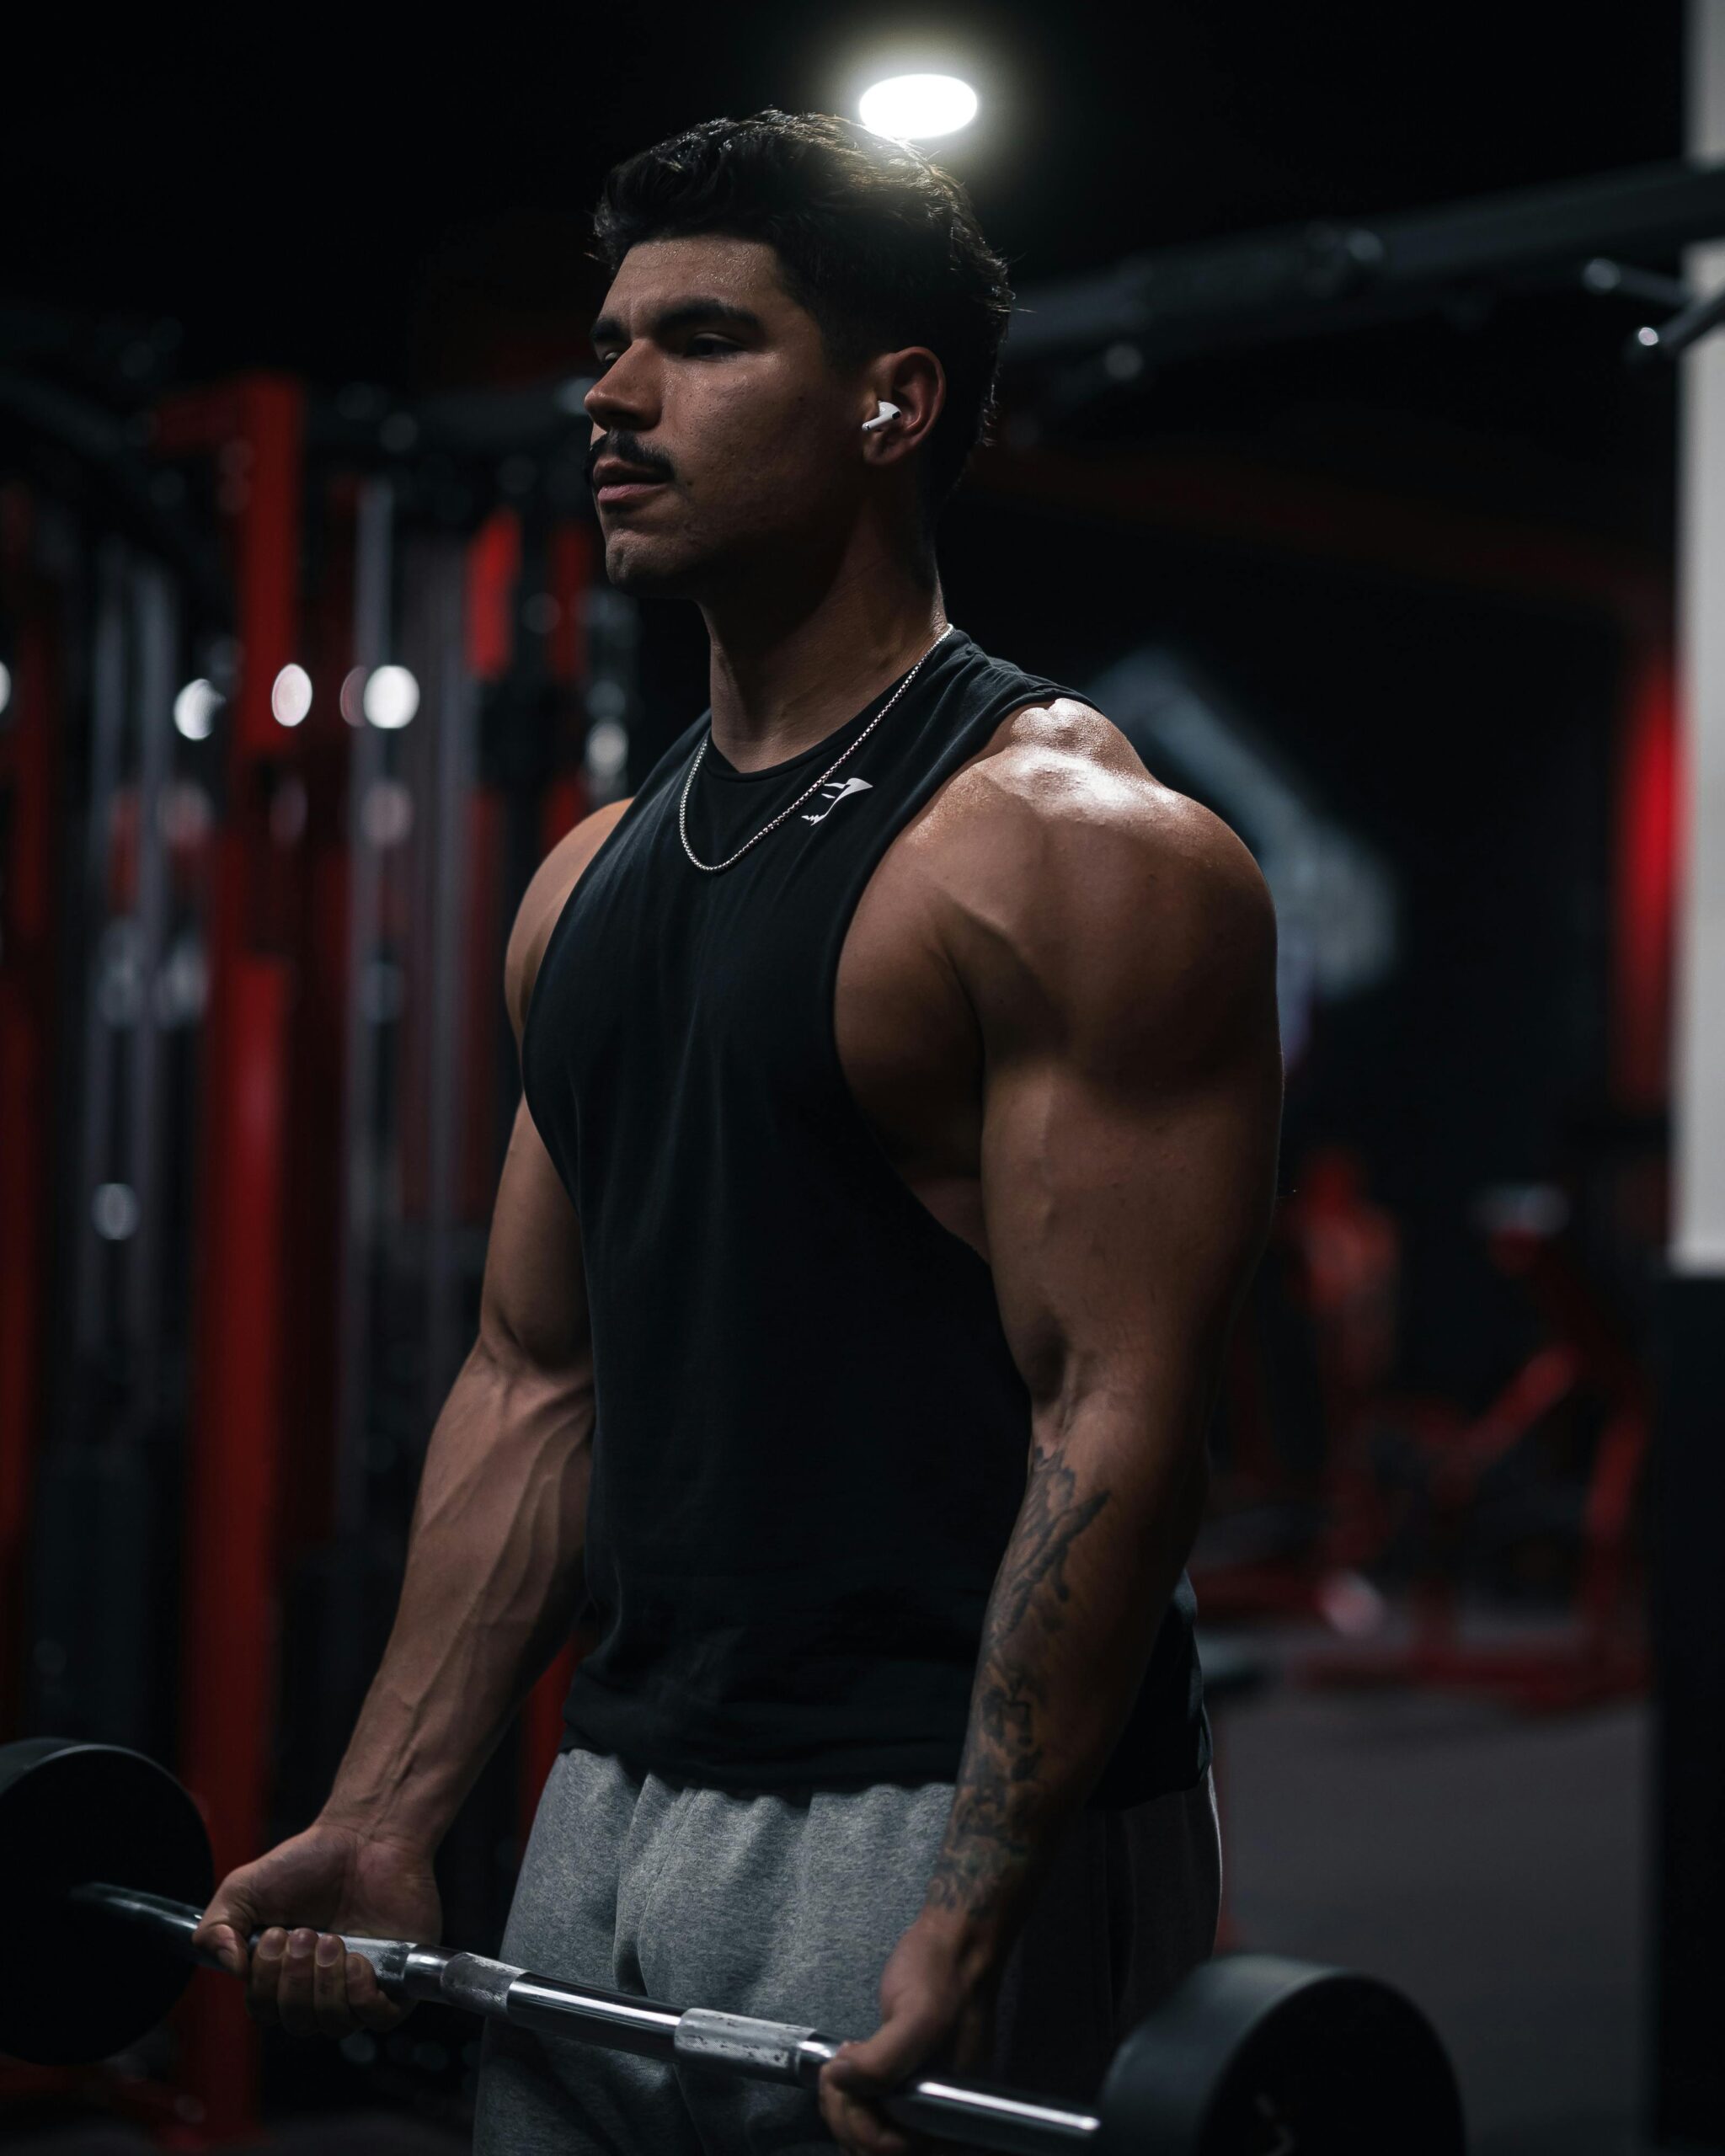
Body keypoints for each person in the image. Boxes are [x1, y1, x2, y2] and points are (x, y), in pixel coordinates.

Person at [194, 111, 1283, 2156]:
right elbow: (536, 1380)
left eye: (699, 339)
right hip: (613, 1786)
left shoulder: (1062, 851)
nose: (610, 394)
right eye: (607, 342)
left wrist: (973, 1902)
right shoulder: (588, 879)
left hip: (924, 1801)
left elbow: (1114, 1405)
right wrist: (388, 1807)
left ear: (892, 400)